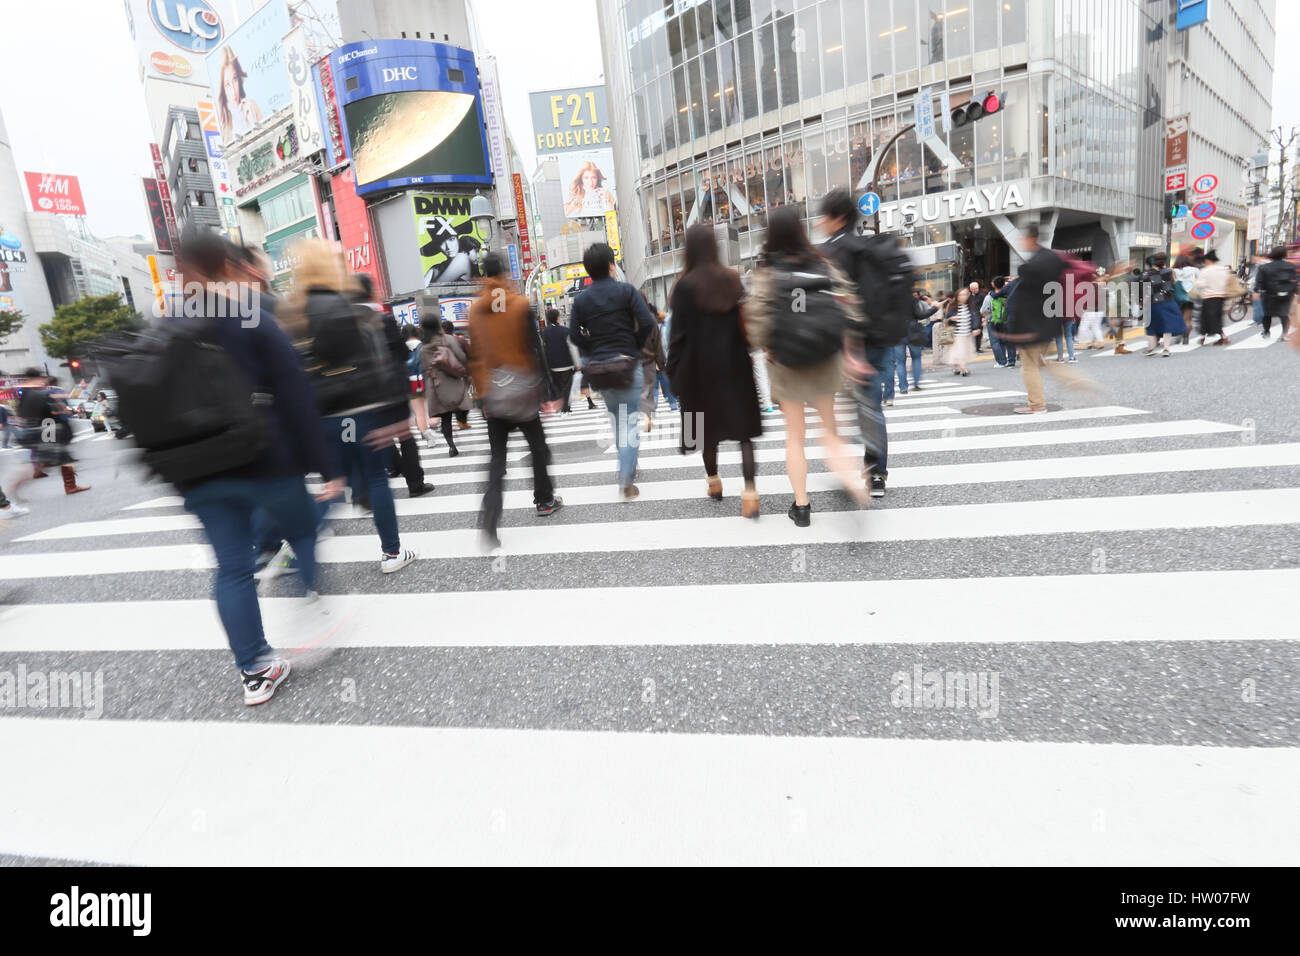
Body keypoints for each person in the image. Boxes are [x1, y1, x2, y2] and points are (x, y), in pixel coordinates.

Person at [172, 231, 344, 706]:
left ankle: (254, 670)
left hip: (196, 470)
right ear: (227, 267)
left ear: (181, 268)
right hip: (261, 459)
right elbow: (295, 394)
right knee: (307, 527)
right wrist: (327, 466)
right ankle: (314, 609)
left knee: (231, 568)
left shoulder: (165, 322)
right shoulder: (248, 314)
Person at [281, 239, 418, 573]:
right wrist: (398, 414)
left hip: (324, 416)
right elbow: (377, 364)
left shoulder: (292, 312)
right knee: (375, 479)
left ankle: (296, 543)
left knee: (336, 483)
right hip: (362, 409)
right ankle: (391, 553)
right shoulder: (346, 307)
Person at [747, 207, 871, 525]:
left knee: (794, 436)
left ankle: (801, 508)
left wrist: (766, 346)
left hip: (786, 361)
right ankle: (853, 484)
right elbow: (849, 303)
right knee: (830, 430)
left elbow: (757, 319)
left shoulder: (767, 271)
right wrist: (850, 347)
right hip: (824, 358)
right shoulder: (822, 262)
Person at [467, 254, 563, 551]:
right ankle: (544, 499)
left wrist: (480, 396)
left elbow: (476, 356)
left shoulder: (475, 310)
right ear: (505, 273)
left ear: (485, 275)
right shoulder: (519, 305)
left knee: (498, 458)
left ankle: (491, 515)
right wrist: (547, 393)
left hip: (494, 393)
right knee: (537, 447)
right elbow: (535, 348)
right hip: (521, 392)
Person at [667, 225, 763, 518]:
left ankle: (714, 482)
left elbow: (678, 336)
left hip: (699, 371)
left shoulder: (684, 287)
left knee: (706, 432)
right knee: (744, 433)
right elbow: (742, 324)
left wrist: (673, 372)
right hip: (735, 366)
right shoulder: (731, 279)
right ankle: (749, 493)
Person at [821, 188, 912, 497]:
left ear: (838, 218)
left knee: (843, 407)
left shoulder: (832, 253)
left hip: (849, 343)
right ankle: (876, 473)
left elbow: (834, 303)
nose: (821, 221)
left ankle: (849, 470)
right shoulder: (868, 247)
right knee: (871, 405)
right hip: (881, 338)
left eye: (824, 215)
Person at [570, 242, 655, 500]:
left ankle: (627, 470)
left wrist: (593, 349)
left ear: (588, 270)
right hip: (627, 364)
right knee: (629, 421)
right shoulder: (626, 291)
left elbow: (575, 335)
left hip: (601, 371)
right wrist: (635, 344)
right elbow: (648, 322)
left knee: (618, 421)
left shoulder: (581, 300)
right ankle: (626, 477)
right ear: (610, 266)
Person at [999, 223, 1077, 414]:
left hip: (1032, 327)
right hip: (1049, 323)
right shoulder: (1052, 258)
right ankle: (1079, 382)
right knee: (1045, 363)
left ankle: (1037, 405)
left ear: (1031, 238)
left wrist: (1015, 330)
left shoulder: (1034, 266)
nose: (1021, 242)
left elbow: (1025, 302)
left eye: (1023, 239)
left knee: (1028, 367)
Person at [420, 316, 472, 456]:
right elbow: (461, 356)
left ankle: (451, 446)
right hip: (453, 379)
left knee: (445, 418)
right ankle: (462, 420)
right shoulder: (447, 339)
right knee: (460, 404)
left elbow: (425, 368)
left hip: (436, 384)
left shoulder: (423, 347)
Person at [1141, 252, 1187, 357]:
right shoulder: (1169, 271)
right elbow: (1174, 283)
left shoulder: (1145, 274)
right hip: (1168, 301)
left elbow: (1141, 290)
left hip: (1152, 303)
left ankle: (1151, 348)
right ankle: (1166, 349)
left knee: (1151, 326)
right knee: (1168, 325)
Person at [216, 46, 263, 143]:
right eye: (227, 85)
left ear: (239, 79)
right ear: (223, 89)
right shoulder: (223, 119)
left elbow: (266, 136)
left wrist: (252, 120)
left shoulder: (251, 105)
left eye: (235, 79)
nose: (233, 90)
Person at [1253, 245, 1297, 340]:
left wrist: (1256, 291)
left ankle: (1266, 332)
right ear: (1284, 254)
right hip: (1286, 293)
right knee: (1284, 314)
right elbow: (1294, 280)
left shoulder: (1264, 267)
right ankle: (1284, 334)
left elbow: (1259, 280)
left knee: (1267, 314)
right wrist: (1295, 293)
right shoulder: (1290, 266)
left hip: (1269, 293)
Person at [638, 293, 668, 432]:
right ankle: (647, 416)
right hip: (649, 359)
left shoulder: (626, 319)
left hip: (633, 360)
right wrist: (661, 363)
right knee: (648, 390)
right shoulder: (651, 319)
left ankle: (644, 415)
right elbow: (657, 343)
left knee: (638, 390)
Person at [541, 307, 577, 414]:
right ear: (558, 318)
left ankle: (563, 405)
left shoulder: (545, 332)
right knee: (567, 386)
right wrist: (577, 363)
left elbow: (544, 347)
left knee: (558, 386)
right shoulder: (566, 331)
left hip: (552, 365)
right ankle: (565, 406)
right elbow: (572, 347)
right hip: (567, 364)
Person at [897, 292, 934, 394]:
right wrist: (935, 308)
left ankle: (903, 387)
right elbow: (920, 315)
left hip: (897, 334)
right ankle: (916, 383)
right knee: (916, 358)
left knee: (900, 362)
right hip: (913, 333)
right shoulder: (912, 300)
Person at [1195, 249, 1231, 345]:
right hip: (1220, 297)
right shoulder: (1223, 270)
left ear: (1207, 260)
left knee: (1207, 318)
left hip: (1209, 297)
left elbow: (1200, 284)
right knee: (1216, 317)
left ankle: (1222, 336)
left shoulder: (1206, 271)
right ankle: (1205, 337)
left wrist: (1194, 281)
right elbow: (1226, 282)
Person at [944, 287, 976, 376]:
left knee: (959, 352)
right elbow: (946, 318)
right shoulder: (952, 306)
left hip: (967, 333)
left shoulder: (970, 305)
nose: (963, 296)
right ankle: (964, 369)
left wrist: (975, 328)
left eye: (965, 294)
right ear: (957, 296)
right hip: (956, 334)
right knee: (960, 352)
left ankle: (955, 368)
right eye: (961, 295)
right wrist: (951, 318)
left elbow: (974, 317)